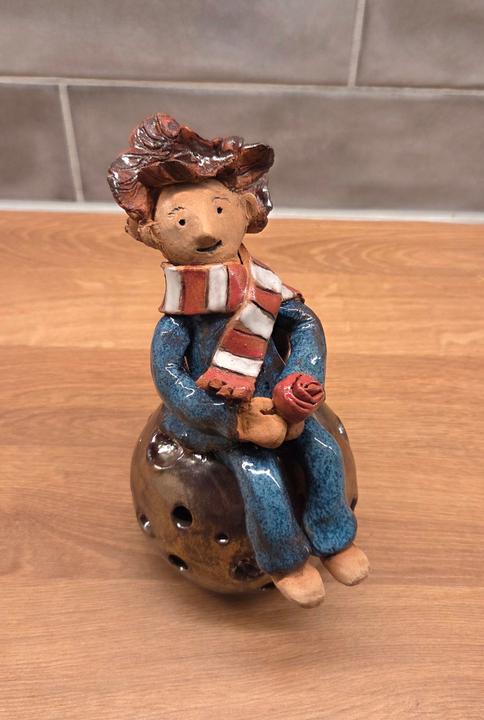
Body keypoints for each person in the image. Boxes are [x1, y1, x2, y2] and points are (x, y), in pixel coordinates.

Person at [108, 113, 369, 608]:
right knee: (259, 473)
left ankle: (334, 538)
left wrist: (300, 378)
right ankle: (286, 561)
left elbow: (304, 325)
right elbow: (170, 377)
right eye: (181, 220)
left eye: (219, 210)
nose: (206, 231)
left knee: (323, 450)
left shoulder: (266, 290)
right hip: (215, 421)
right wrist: (235, 422)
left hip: (282, 402)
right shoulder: (178, 318)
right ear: (152, 232)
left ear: (246, 211)